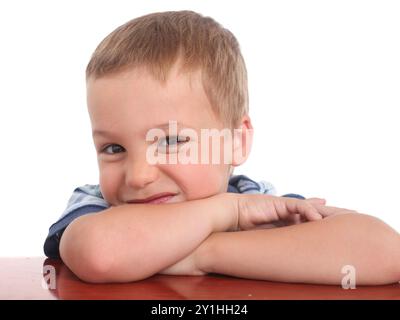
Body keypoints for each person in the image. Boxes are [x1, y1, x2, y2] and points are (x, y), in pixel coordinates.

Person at [44, 10, 400, 285]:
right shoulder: (95, 207)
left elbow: (385, 251)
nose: (138, 176)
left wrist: (202, 254)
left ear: (235, 141)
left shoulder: (253, 199)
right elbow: (100, 254)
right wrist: (225, 213)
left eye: (169, 141)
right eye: (113, 148)